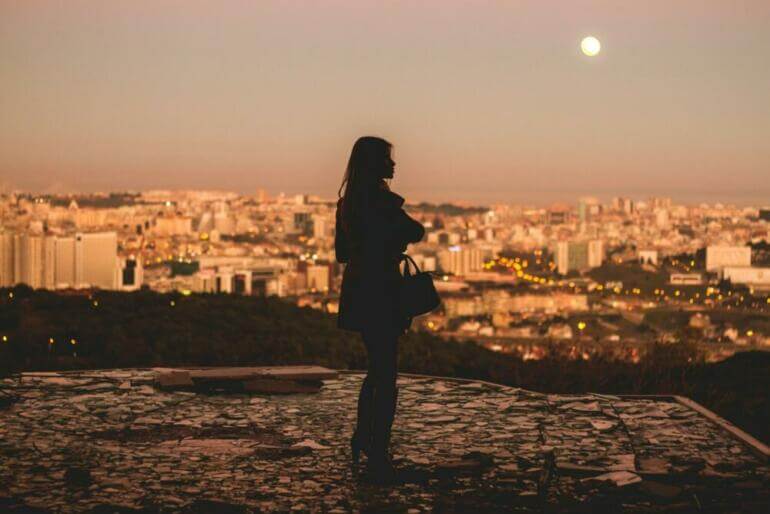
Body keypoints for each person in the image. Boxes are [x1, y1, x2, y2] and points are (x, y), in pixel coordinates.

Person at [334, 136, 425, 482]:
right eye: (388, 158)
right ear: (375, 164)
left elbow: (342, 253)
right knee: (385, 373)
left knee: (377, 367)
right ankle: (378, 451)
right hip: (382, 290)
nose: (394, 164)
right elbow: (415, 230)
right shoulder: (381, 202)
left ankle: (363, 437)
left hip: (359, 289)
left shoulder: (347, 203)